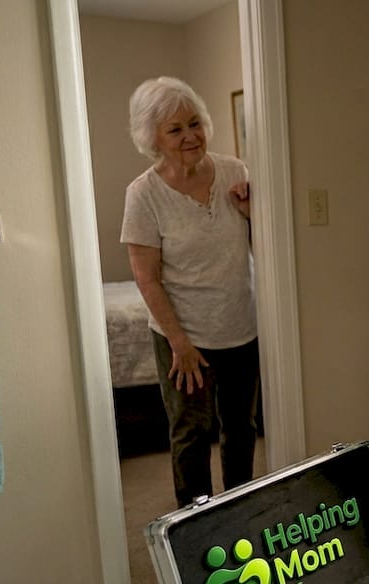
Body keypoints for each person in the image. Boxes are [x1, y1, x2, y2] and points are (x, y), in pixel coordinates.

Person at [120, 76, 259, 508]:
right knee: (191, 433)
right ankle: (196, 524)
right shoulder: (143, 194)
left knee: (240, 427)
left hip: (241, 326)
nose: (190, 136)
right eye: (175, 129)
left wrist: (253, 214)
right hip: (184, 337)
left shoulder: (236, 171)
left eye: (194, 123)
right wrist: (179, 343)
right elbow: (147, 277)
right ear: (153, 139)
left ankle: (239, 511)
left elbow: (269, 251)